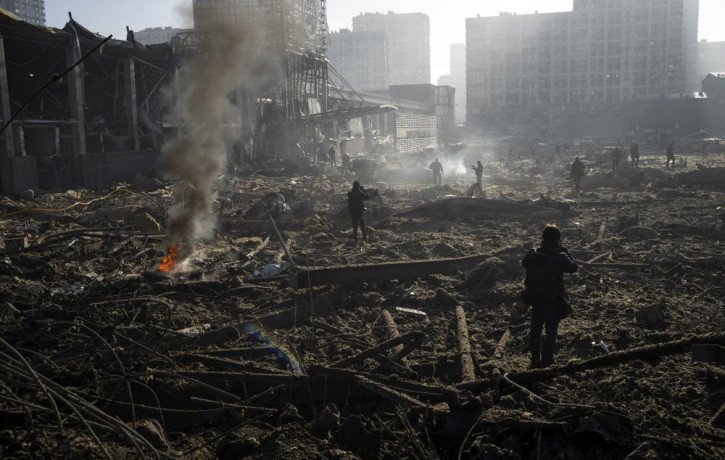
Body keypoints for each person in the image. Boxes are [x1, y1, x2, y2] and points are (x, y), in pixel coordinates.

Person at [521, 225, 578, 368]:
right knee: (551, 329)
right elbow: (573, 268)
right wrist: (565, 250)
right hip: (553, 298)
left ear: (543, 238)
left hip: (535, 296)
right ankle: (547, 360)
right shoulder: (560, 256)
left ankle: (535, 360)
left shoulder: (532, 253)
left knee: (536, 327)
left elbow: (524, 263)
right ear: (558, 240)